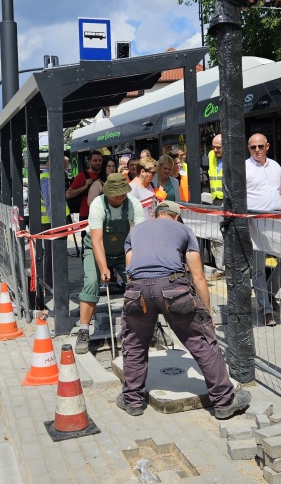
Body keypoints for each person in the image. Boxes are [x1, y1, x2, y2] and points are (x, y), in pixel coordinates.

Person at [116, 200, 251, 419]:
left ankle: (132, 401)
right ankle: (224, 402)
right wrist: (206, 314)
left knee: (134, 343)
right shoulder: (183, 229)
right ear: (177, 216)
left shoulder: (136, 230)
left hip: (137, 290)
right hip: (172, 289)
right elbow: (197, 275)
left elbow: (130, 270)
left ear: (156, 214)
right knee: (202, 342)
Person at [75, 174, 146, 354]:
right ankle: (83, 331)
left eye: (122, 194)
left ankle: (147, 327)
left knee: (140, 282)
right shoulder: (98, 205)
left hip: (123, 251)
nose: (119, 198)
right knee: (91, 282)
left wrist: (133, 268)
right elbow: (97, 241)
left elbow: (138, 238)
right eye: (116, 194)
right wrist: (104, 268)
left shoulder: (133, 204)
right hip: (96, 249)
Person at [245, 133, 281, 327]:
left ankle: (269, 293)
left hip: (277, 221)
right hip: (255, 223)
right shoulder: (245, 167)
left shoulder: (275, 166)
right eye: (253, 147)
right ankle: (266, 310)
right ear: (249, 149)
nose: (257, 150)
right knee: (257, 269)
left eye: (260, 146)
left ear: (267, 146)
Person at [66, 150, 104, 220]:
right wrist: (84, 187)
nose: (98, 163)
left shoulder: (104, 175)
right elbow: (68, 194)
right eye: (95, 160)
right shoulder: (82, 176)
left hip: (102, 213)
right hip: (86, 215)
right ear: (89, 162)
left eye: (100, 160)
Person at [207, 134, 225, 271]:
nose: (215, 150)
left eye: (218, 147)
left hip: (230, 202)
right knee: (218, 235)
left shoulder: (233, 157)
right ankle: (221, 268)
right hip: (216, 201)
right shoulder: (211, 156)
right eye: (213, 146)